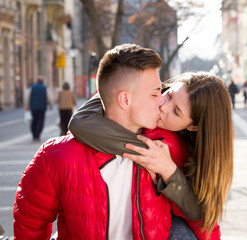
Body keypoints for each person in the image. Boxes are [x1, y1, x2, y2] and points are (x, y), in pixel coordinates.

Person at [13, 44, 199, 239]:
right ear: (125, 100)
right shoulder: (56, 157)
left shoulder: (166, 149)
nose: (162, 101)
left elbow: (202, 219)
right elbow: (30, 224)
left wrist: (170, 173)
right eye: (154, 94)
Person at [69, 72, 234, 239]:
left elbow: (204, 219)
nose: (163, 106)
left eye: (176, 111)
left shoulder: (192, 154)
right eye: (168, 95)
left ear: (194, 127)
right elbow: (81, 122)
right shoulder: (145, 93)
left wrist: (169, 171)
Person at [25, 76, 53, 141]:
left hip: (33, 108)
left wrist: (26, 106)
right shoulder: (45, 88)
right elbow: (50, 98)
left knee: (34, 121)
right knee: (40, 121)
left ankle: (34, 135)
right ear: (42, 81)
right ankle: (38, 135)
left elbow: (27, 97)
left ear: (37, 81)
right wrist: (51, 106)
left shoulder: (32, 87)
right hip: (42, 108)